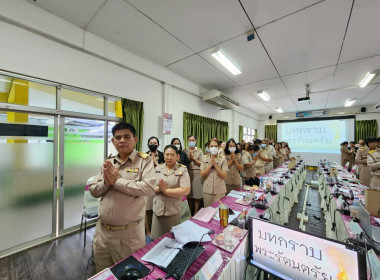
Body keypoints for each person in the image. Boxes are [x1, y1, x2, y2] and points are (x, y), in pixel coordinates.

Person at [89, 122, 156, 272]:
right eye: (117, 137)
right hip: (102, 233)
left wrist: (117, 181)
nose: (122, 140)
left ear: (135, 139)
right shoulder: (108, 161)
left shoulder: (144, 161)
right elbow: (93, 190)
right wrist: (107, 183)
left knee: (128, 274)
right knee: (102, 272)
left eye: (127, 136)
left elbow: (149, 188)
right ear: (112, 141)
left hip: (128, 236)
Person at [151, 145, 190, 240]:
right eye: (167, 154)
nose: (169, 157)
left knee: (171, 239)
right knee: (155, 239)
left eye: (172, 155)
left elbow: (185, 190)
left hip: (172, 210)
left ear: (177, 156)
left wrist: (166, 190)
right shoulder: (158, 168)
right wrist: (158, 188)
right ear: (163, 155)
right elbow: (150, 186)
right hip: (158, 209)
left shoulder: (182, 170)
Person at [145, 136, 164, 237]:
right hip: (147, 185)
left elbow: (164, 169)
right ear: (148, 144)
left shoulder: (162, 155)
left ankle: (156, 229)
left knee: (157, 208)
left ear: (158, 145)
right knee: (147, 209)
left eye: (155, 143)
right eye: (151, 142)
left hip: (158, 184)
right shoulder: (143, 155)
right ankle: (147, 230)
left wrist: (156, 163)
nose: (153, 144)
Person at [200, 139, 228, 207]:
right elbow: (202, 175)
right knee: (207, 212)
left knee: (219, 212)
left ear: (218, 147)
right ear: (208, 147)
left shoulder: (223, 159)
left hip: (220, 191)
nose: (213, 148)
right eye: (211, 146)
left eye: (215, 146)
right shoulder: (204, 159)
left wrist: (215, 165)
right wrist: (210, 166)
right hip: (207, 191)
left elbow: (224, 176)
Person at [185, 135, 203, 215]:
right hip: (187, 173)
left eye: (193, 140)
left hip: (197, 173)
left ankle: (196, 212)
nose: (191, 142)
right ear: (187, 141)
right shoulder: (185, 151)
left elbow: (202, 164)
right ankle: (190, 212)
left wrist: (194, 159)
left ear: (195, 141)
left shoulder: (199, 151)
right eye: (190, 140)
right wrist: (188, 158)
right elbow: (183, 163)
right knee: (189, 194)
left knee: (197, 194)